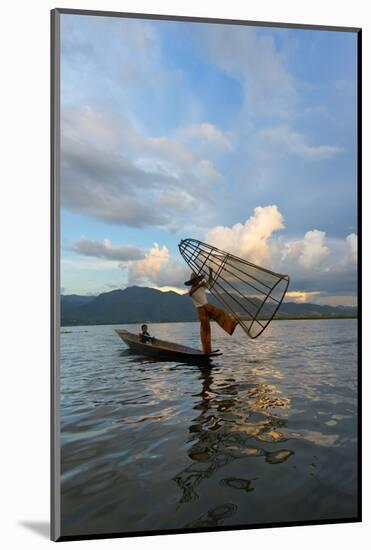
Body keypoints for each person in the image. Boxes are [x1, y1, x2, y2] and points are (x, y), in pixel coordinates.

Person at [185, 268, 238, 353]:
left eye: (197, 280)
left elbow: (210, 282)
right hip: (201, 310)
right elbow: (190, 293)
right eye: (195, 281)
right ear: (193, 282)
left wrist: (210, 272)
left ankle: (231, 325)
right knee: (206, 329)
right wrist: (200, 285)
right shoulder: (191, 289)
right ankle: (206, 350)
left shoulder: (201, 287)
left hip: (207, 306)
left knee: (220, 312)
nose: (197, 282)